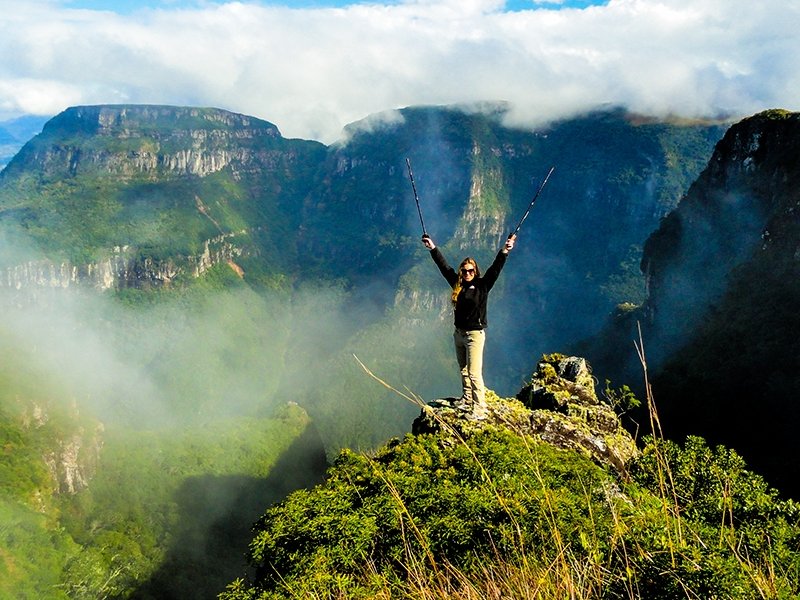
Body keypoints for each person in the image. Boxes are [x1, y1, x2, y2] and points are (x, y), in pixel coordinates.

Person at [421, 233, 515, 409]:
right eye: (464, 271)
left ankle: (479, 408)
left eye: (471, 271)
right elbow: (444, 267)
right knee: (463, 370)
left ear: (476, 271)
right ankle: (467, 399)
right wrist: (432, 247)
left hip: (474, 335)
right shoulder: (458, 284)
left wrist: (505, 250)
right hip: (459, 334)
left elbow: (496, 268)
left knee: (473, 373)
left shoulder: (483, 285)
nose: (467, 273)